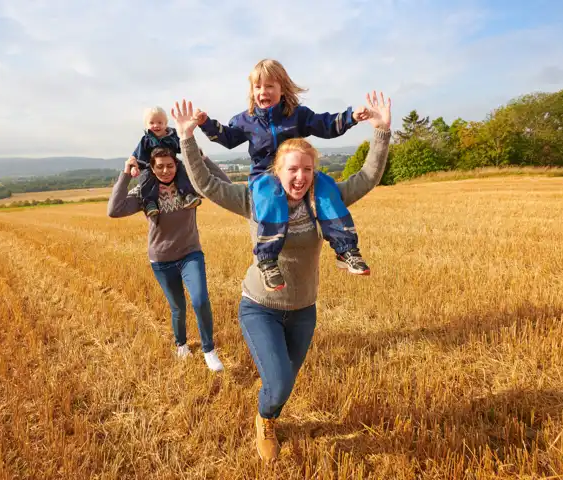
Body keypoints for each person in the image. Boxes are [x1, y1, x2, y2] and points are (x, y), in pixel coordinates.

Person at [171, 91, 392, 461]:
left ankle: (270, 406)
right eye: (292, 169)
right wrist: (186, 138)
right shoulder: (254, 200)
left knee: (284, 384)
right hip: (260, 306)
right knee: (280, 382)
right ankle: (265, 420)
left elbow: (367, 177)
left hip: (304, 309)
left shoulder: (325, 199)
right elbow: (208, 186)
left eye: (307, 169)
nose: (301, 176)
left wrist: (382, 131)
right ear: (278, 170)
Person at [194, 59, 372, 292]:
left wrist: (351, 117)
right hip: (264, 176)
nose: (263, 92)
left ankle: (345, 249)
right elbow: (227, 138)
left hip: (297, 173)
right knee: (271, 194)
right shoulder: (245, 120)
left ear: (282, 88)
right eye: (257, 87)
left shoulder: (297, 115)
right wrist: (206, 123)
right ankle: (267, 260)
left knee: (326, 185)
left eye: (269, 86)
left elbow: (326, 125)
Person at [107, 145, 226, 372]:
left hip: (191, 253)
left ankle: (209, 350)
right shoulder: (145, 192)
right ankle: (181, 345)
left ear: (177, 165)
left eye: (170, 165)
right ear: (151, 168)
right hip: (161, 259)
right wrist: (125, 174)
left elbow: (224, 185)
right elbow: (114, 210)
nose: (165, 171)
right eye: (159, 167)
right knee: (178, 308)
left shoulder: (189, 186)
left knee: (200, 300)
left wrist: (204, 159)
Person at [127, 106, 202, 218]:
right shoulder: (146, 140)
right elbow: (136, 156)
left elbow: (184, 146)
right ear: (146, 125)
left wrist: (196, 151)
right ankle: (150, 203)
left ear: (166, 123)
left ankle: (188, 195)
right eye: (151, 123)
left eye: (160, 122)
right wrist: (134, 167)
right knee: (146, 178)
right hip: (150, 167)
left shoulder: (172, 136)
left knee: (182, 170)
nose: (156, 125)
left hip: (173, 165)